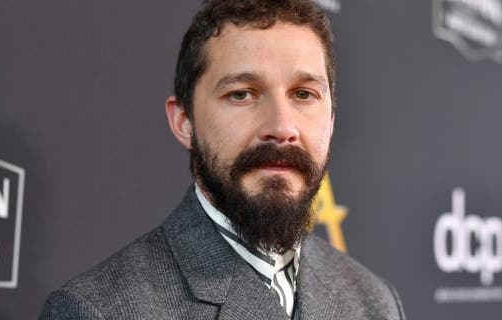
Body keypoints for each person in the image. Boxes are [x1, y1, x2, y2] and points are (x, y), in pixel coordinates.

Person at [39, 0, 406, 319]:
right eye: (242, 94)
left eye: (304, 94)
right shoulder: (97, 310)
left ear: (331, 121)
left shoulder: (375, 302)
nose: (282, 127)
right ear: (184, 121)